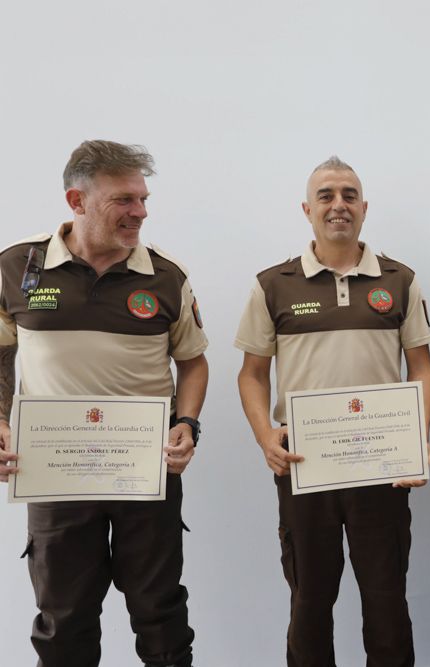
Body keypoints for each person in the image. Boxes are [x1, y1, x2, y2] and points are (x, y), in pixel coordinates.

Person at [0, 140, 209, 667]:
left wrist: (187, 422)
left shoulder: (167, 277)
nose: (140, 211)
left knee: (159, 611)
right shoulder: (15, 266)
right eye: (124, 200)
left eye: (142, 198)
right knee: (63, 617)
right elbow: (1, 355)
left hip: (146, 469)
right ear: (77, 200)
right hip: (54, 471)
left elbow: (193, 361)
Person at [235, 156, 430, 667]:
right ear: (307, 209)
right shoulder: (273, 284)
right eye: (326, 196)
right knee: (310, 600)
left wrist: (416, 436)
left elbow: (422, 367)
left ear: (365, 208)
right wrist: (266, 437)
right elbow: (252, 373)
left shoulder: (400, 279)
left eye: (349, 195)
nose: (338, 205)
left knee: (386, 599)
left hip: (383, 470)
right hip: (306, 469)